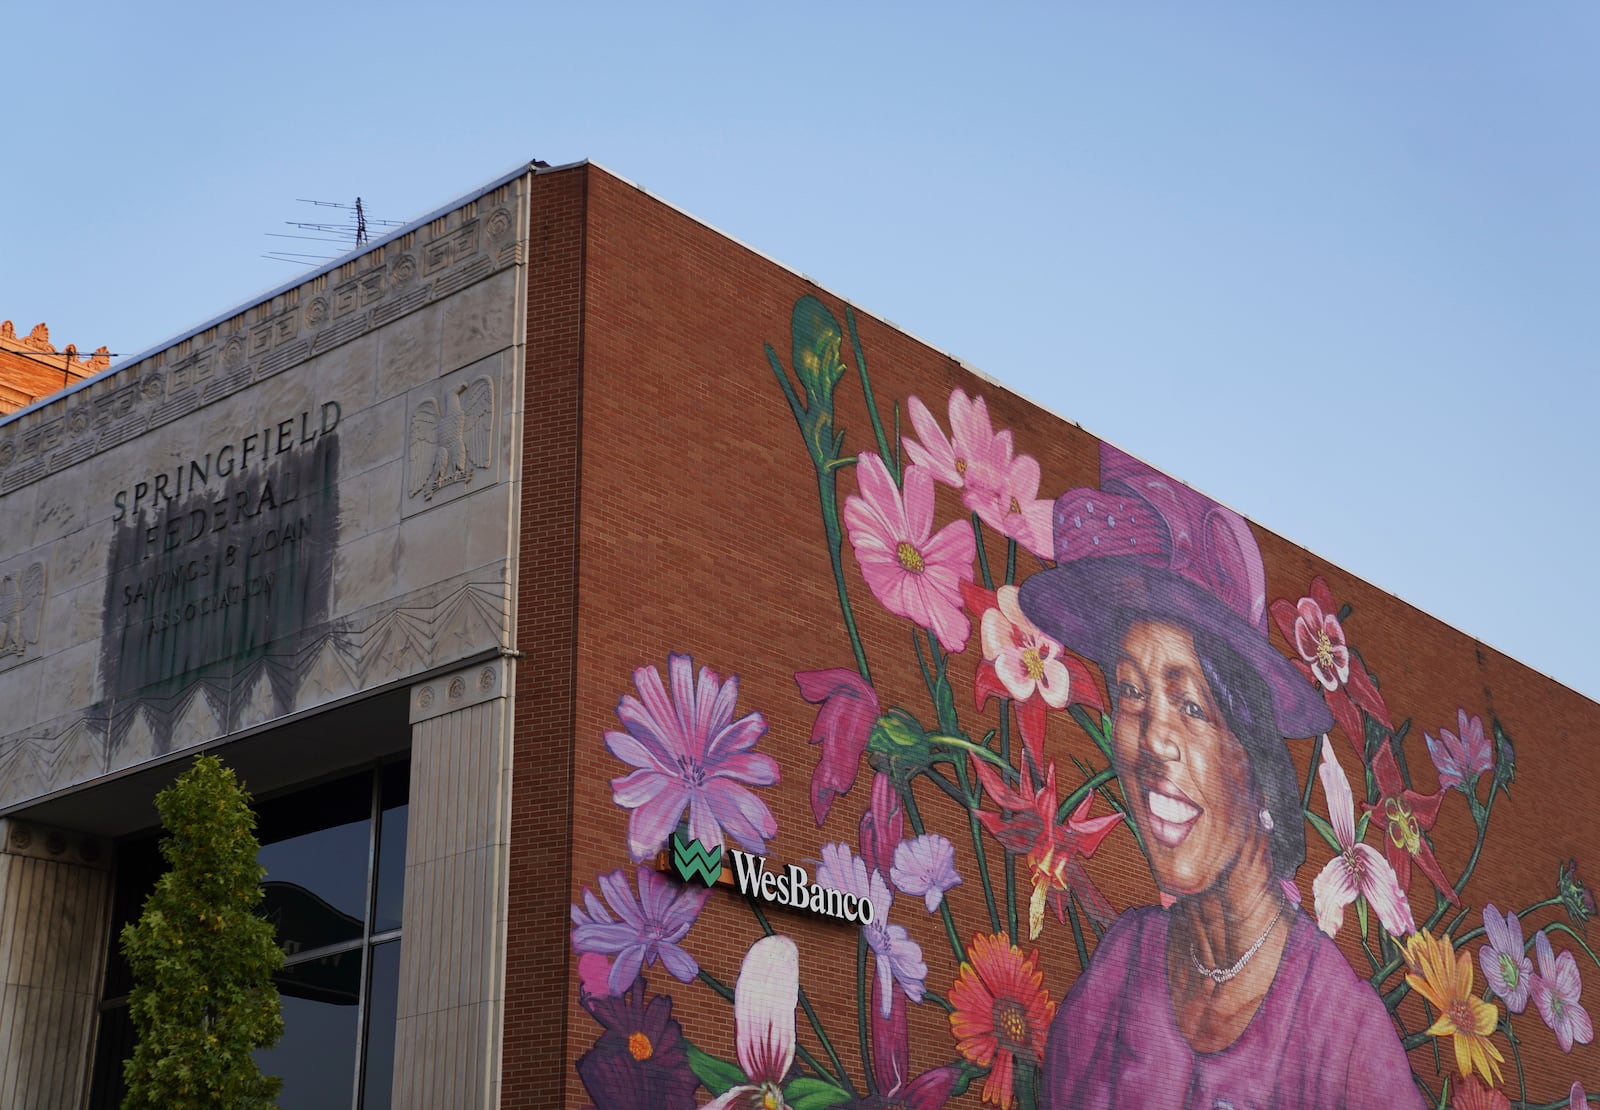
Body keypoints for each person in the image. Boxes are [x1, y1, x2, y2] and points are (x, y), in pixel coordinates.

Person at [1017, 444, 1425, 1110]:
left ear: (1255, 756)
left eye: (1190, 705)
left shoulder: (1341, 1038)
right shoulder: (1118, 976)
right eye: (1129, 692)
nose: (1151, 741)